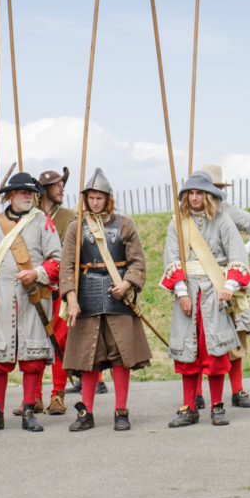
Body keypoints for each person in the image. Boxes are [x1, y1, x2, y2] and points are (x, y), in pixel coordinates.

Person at [59, 168, 152, 431]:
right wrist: (71, 298)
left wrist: (127, 283)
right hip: (86, 297)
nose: (95, 202)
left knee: (121, 357)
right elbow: (67, 266)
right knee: (89, 358)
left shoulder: (125, 224)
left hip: (118, 299)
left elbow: (137, 261)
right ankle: (85, 412)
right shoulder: (76, 228)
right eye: (91, 198)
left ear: (108, 198)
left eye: (99, 198)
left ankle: (121, 411)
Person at [159, 170, 250, 428]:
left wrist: (229, 286)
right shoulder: (177, 223)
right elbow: (172, 259)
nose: (194, 197)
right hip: (188, 293)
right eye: (190, 192)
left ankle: (217, 406)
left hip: (215, 293)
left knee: (214, 352)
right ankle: (189, 408)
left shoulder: (223, 220)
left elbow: (237, 255)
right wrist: (180, 293)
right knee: (188, 352)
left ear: (209, 195)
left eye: (199, 192)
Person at [0, 172, 62, 433]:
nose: (27, 196)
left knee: (32, 358)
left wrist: (36, 273)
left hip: (32, 299)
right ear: (9, 196)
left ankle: (29, 411)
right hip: (0, 299)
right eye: (21, 192)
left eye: (30, 192)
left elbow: (57, 260)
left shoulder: (43, 222)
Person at [196, 163, 250, 410]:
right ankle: (197, 393)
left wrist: (241, 252)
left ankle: (237, 390)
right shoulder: (187, 218)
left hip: (227, 282)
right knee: (197, 337)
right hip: (198, 282)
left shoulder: (229, 212)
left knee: (234, 336)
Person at [31, 168, 78, 416]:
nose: (61, 189)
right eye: (56, 185)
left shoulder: (70, 217)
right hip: (34, 289)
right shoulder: (30, 216)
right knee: (35, 344)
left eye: (62, 184)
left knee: (60, 342)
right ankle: (34, 397)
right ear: (44, 190)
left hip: (60, 287)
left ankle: (57, 395)